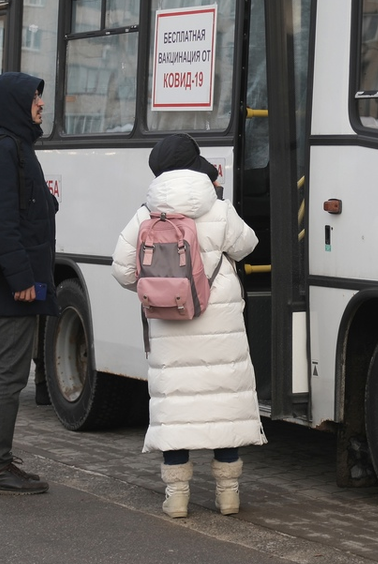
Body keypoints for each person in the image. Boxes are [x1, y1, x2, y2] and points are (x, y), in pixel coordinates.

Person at [110, 133, 264, 518]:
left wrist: (156, 290)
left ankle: (177, 497)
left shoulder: (146, 213)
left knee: (176, 407)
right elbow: (248, 245)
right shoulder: (219, 208)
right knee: (221, 406)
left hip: (168, 322)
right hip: (219, 322)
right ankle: (228, 494)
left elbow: (122, 269)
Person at [0, 71, 58, 496]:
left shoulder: (17, 149)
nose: (41, 103)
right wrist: (22, 279)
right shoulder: (5, 152)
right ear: (14, 104)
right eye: (35, 98)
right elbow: (3, 225)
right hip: (11, 285)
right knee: (9, 375)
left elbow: (21, 210)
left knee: (3, 374)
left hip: (14, 282)